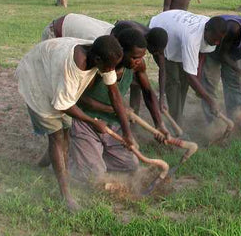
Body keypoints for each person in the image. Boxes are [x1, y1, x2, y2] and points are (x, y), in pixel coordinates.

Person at [15, 35, 133, 211]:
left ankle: (41, 165)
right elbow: (63, 105)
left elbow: (114, 95)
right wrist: (92, 122)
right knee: (57, 137)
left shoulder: (102, 57)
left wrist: (127, 132)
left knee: (66, 131)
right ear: (97, 60)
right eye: (109, 67)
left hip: (52, 75)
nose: (111, 71)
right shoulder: (72, 66)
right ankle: (66, 196)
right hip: (36, 79)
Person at [69, 29, 169, 179]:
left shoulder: (137, 66)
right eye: (135, 57)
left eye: (142, 57)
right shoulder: (100, 66)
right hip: (88, 122)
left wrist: (159, 124)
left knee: (130, 165)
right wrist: (112, 109)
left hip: (112, 124)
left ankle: (89, 156)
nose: (138, 61)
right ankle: (73, 158)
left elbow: (148, 92)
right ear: (121, 52)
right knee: (94, 176)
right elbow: (80, 99)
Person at [41, 14, 169, 114]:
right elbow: (83, 92)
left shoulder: (131, 41)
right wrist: (113, 108)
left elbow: (142, 82)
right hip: (56, 32)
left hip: (73, 25)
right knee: (62, 92)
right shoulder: (99, 48)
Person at [149, 10, 227, 123]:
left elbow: (201, 55)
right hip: (159, 30)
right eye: (215, 39)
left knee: (184, 80)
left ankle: (178, 114)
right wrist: (209, 100)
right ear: (206, 31)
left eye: (220, 39)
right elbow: (190, 75)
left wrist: (198, 82)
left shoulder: (213, 33)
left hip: (177, 37)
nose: (217, 43)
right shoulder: (192, 37)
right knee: (173, 81)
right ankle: (176, 123)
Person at [111, 20, 169, 113]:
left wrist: (161, 97)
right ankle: (122, 112)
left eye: (159, 52)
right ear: (147, 43)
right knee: (129, 78)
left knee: (138, 81)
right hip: (115, 34)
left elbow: (162, 69)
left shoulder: (157, 41)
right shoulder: (135, 37)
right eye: (154, 51)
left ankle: (134, 114)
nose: (157, 54)